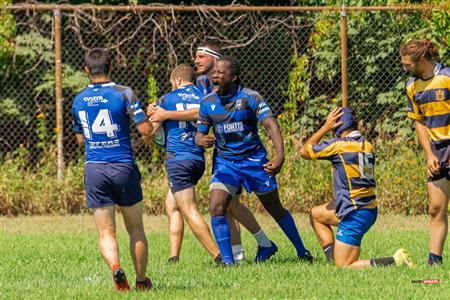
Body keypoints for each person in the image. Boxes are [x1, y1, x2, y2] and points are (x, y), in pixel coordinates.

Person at [148, 41, 275, 262]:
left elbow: (202, 109)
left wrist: (165, 114)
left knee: (225, 204)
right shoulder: (199, 84)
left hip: (233, 153)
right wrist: (157, 110)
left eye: (201, 56)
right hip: (211, 153)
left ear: (215, 60)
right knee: (183, 203)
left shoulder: (216, 84)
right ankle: (175, 256)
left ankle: (235, 252)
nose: (196, 60)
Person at [195, 56, 312, 265]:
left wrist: (280, 157)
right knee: (216, 206)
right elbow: (198, 135)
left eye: (220, 73)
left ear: (234, 76)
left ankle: (302, 251)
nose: (215, 75)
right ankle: (228, 263)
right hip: (226, 164)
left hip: (255, 162)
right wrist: (203, 140)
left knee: (275, 208)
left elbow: (271, 126)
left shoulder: (251, 98)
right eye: (214, 72)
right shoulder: (207, 103)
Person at [72, 48, 153, 291]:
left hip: (95, 169)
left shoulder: (78, 99)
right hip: (123, 166)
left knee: (106, 231)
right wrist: (156, 123)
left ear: (86, 70)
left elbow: (80, 141)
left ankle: (116, 267)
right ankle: (141, 281)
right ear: (111, 67)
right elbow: (146, 131)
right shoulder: (123, 93)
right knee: (136, 228)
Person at [300, 107, 414, 268]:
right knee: (316, 214)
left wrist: (325, 127)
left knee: (345, 266)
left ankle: (396, 260)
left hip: (354, 212)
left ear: (336, 128)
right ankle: (333, 258)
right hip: (367, 208)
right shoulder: (367, 145)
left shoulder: (339, 145)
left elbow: (304, 151)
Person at [147, 64, 222, 264]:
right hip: (197, 159)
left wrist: (149, 117)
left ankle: (219, 256)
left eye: (172, 83)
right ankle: (173, 257)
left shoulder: (166, 100)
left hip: (178, 160)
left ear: (177, 81)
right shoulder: (203, 97)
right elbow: (207, 113)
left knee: (189, 209)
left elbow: (151, 131)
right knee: (171, 204)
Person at [400, 39, 450, 265]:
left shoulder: (447, 77)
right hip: (437, 152)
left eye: (408, 64)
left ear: (421, 60)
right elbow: (419, 123)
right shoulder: (412, 87)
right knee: (435, 208)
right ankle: (434, 261)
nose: (405, 68)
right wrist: (429, 154)